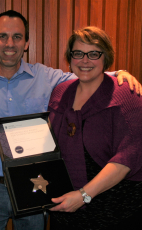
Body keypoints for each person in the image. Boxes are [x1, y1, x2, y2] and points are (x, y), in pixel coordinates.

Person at [0, 10, 140, 230]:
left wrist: (119, 74)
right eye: (3, 36)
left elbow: (86, 72)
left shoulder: (47, 77)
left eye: (17, 37)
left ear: (27, 43)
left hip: (35, 184)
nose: (10, 43)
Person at [48, 26, 142, 230]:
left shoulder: (127, 95)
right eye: (78, 53)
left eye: (93, 54)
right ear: (70, 57)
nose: (85, 60)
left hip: (114, 211)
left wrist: (83, 195)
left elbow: (128, 157)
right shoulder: (60, 92)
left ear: (106, 57)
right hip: (66, 208)